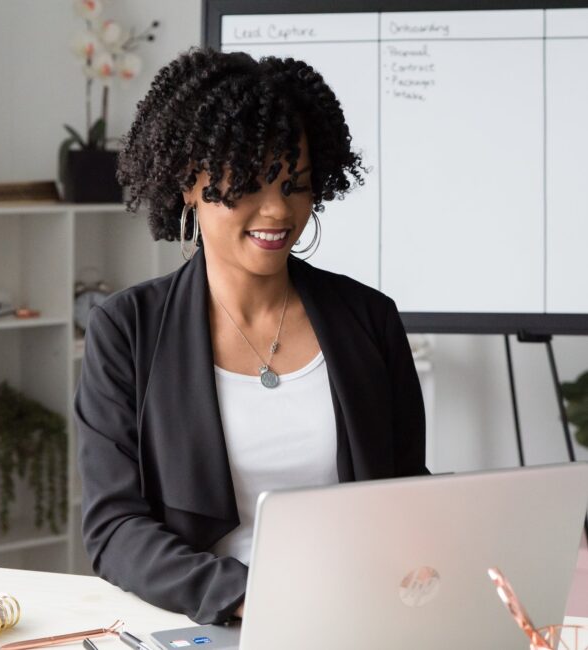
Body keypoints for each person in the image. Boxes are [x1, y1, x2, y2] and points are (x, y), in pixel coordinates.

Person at [74, 45, 428, 626]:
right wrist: (254, 594)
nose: (277, 211)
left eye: (296, 184)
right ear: (188, 182)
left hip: (360, 618)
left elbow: (410, 493)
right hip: (208, 622)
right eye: (249, 184)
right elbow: (115, 529)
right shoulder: (126, 331)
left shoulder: (370, 319)